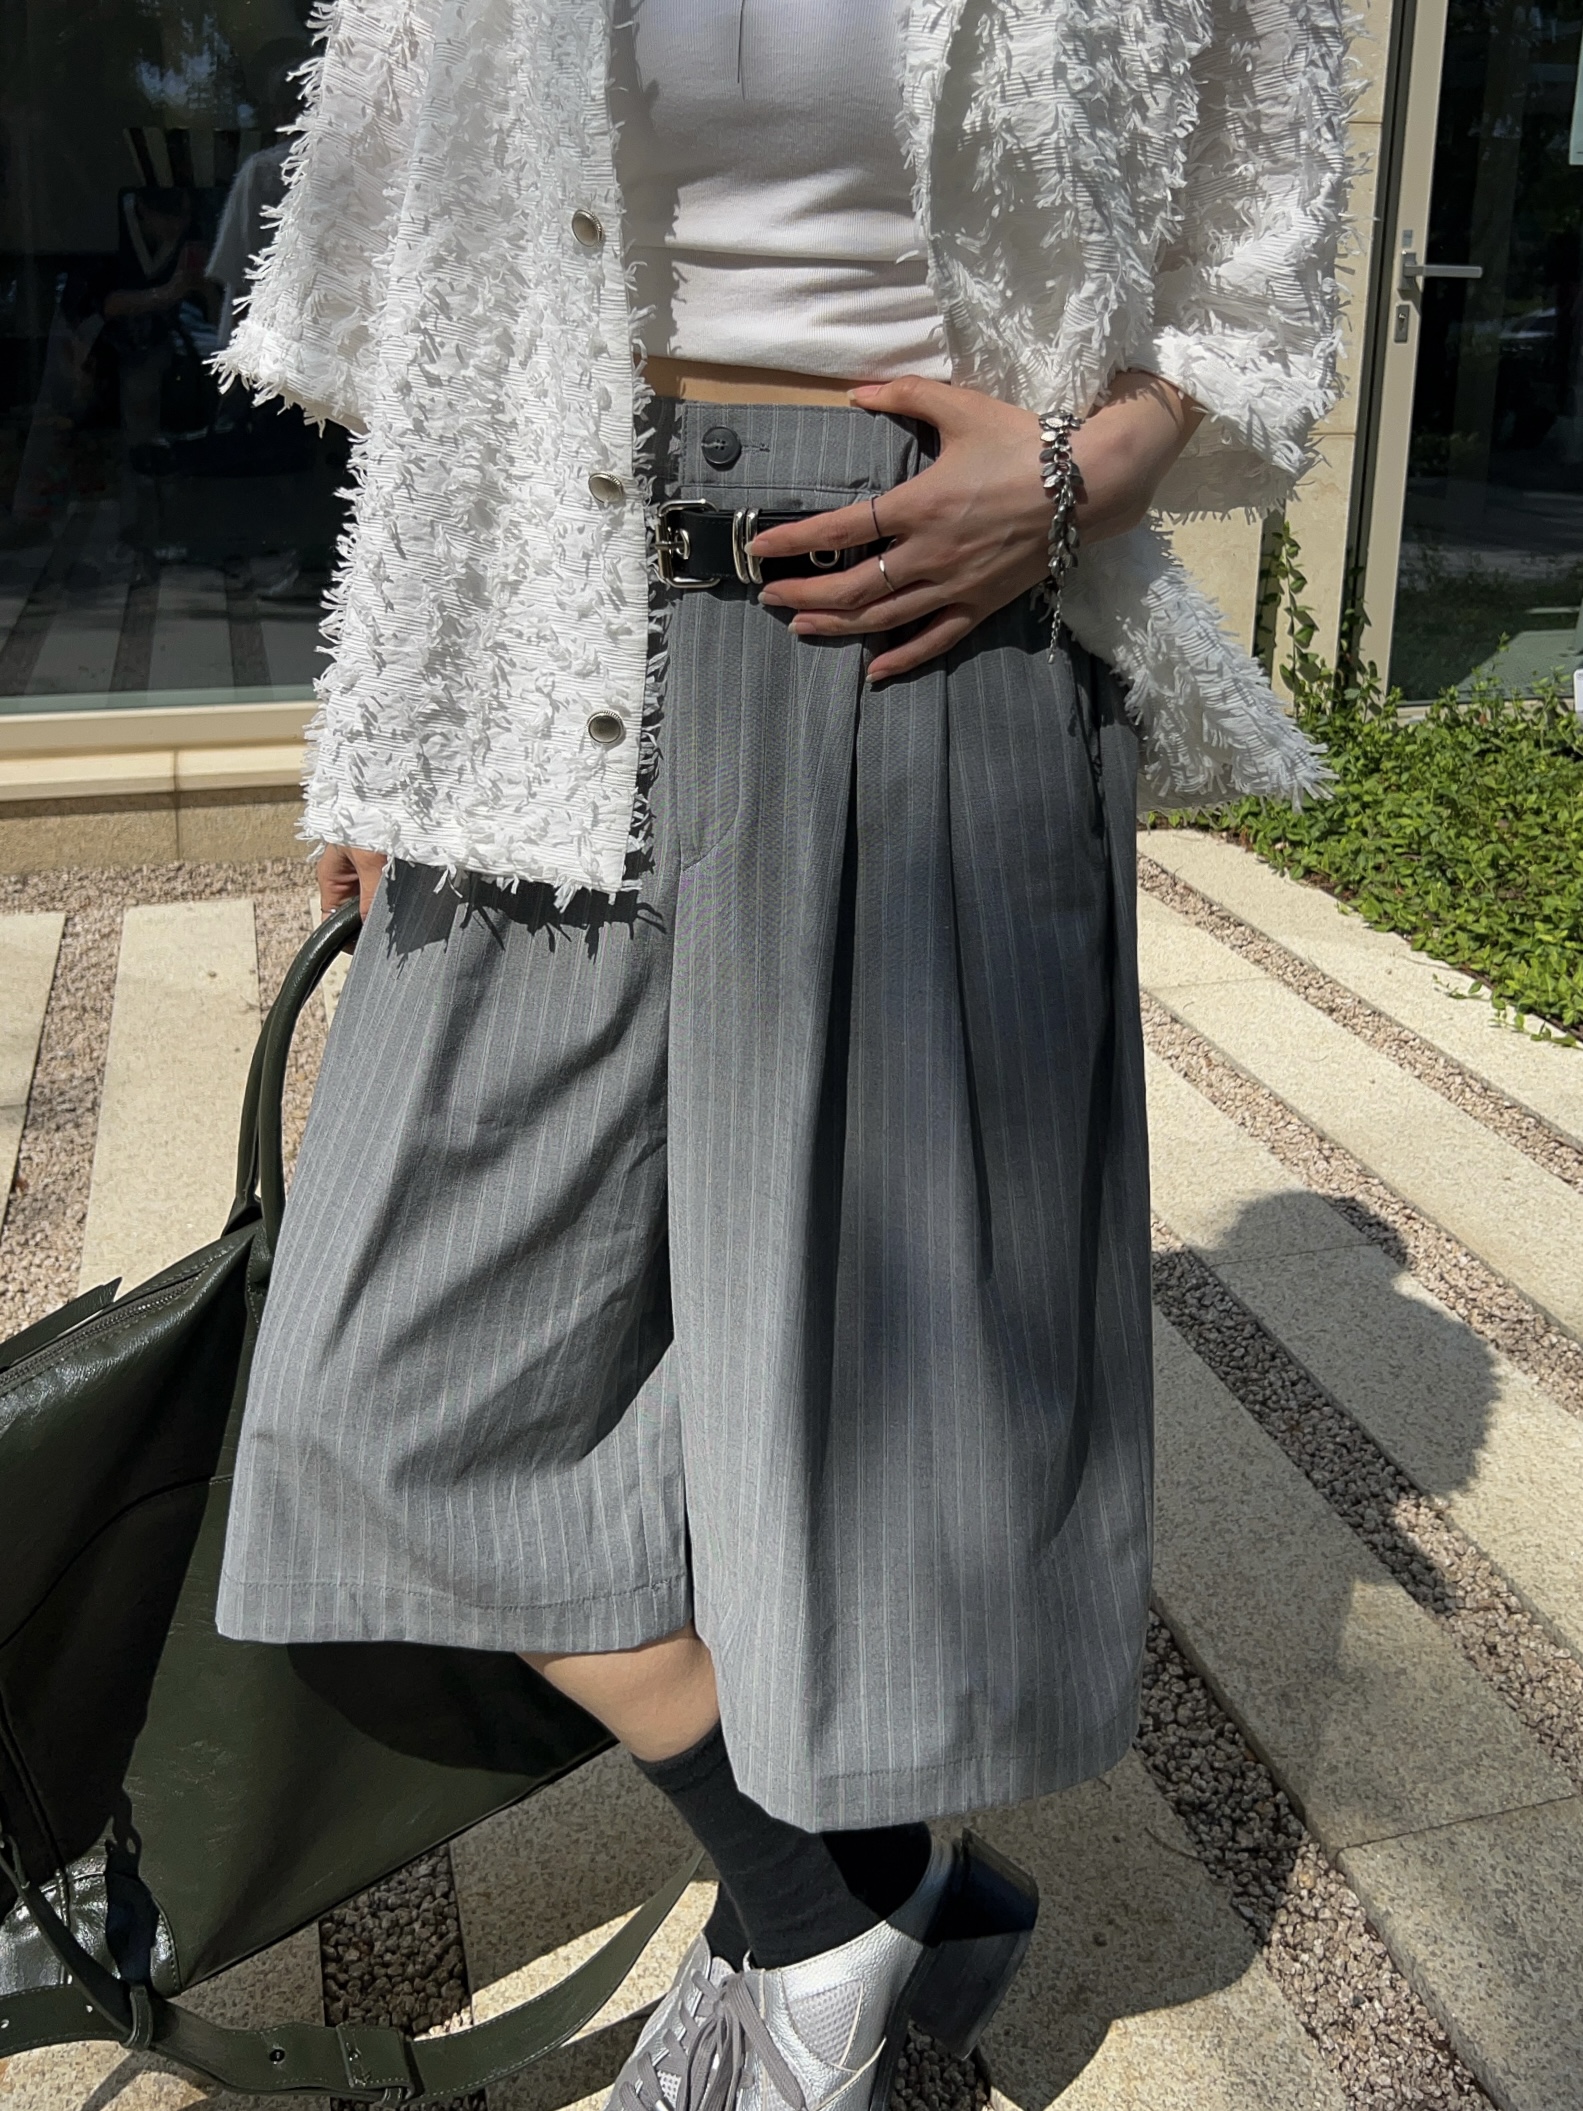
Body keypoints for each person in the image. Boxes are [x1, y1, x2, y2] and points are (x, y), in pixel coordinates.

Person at [213, 4, 1346, 2107]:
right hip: (559, 621)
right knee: (385, 1389)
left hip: (934, 627)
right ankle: (851, 1891)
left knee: (851, 1411)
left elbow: (1257, 284)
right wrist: (382, 711)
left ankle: (820, 1927)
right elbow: (424, 285)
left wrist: (1072, 483)